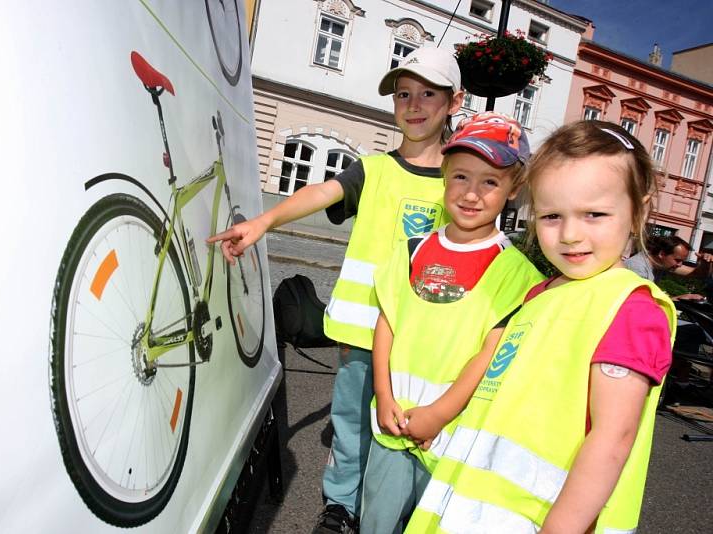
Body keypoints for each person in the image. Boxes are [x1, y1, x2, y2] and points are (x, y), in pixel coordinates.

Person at [208, 46, 464, 533]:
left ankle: (397, 514)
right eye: (404, 94)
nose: (413, 104)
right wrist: (264, 220)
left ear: (455, 101)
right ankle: (340, 508)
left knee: (412, 431)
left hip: (424, 341)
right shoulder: (373, 170)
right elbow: (318, 192)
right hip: (362, 331)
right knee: (352, 427)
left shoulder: (460, 180)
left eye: (428, 93)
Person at [405, 121, 676, 533]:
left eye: (595, 214)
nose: (570, 235)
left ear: (638, 210)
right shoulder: (542, 295)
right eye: (552, 216)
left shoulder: (629, 309)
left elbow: (612, 438)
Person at [361, 113, 543, 533]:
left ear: (514, 189)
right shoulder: (411, 249)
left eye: (490, 182)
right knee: (376, 521)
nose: (471, 194)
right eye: (461, 176)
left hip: (453, 435)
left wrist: (440, 414)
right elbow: (387, 322)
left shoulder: (516, 273)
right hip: (392, 419)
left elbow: (491, 353)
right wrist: (383, 394)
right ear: (444, 175)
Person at [625, 235, 713, 298]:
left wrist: (706, 262)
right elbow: (643, 305)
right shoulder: (638, 268)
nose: (680, 264)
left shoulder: (661, 263)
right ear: (662, 254)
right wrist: (680, 298)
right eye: (678, 260)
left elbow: (698, 274)